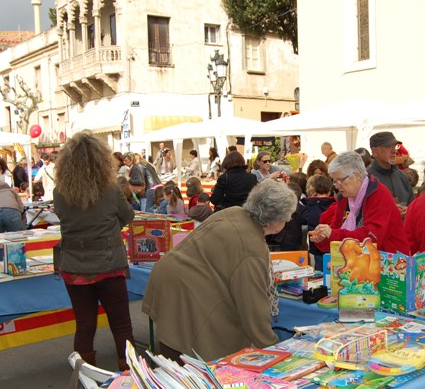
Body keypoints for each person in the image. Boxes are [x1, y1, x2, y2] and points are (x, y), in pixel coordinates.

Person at [142, 180, 297, 362]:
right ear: (277, 220)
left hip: (169, 279)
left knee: (172, 349)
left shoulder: (233, 212)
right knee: (186, 361)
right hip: (185, 292)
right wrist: (274, 350)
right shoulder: (252, 249)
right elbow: (253, 306)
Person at [53, 131, 136, 371]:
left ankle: (85, 376)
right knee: (121, 325)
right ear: (101, 160)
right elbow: (128, 215)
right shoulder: (110, 189)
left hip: (75, 267)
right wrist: (111, 227)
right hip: (109, 265)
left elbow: (64, 218)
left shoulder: (60, 192)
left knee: (85, 325)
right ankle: (131, 375)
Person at [311, 151, 410, 256]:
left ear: (357, 176)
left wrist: (332, 234)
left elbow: (372, 237)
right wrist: (323, 239)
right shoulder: (344, 197)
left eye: (340, 180)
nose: (336, 186)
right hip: (360, 262)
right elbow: (335, 232)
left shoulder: (378, 194)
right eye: (334, 181)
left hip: (390, 263)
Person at [367, 131, 415, 210]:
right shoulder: (367, 179)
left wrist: (408, 210)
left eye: (395, 146)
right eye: (388, 147)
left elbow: (412, 204)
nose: (394, 151)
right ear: (375, 151)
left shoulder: (401, 176)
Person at [299, 174, 336, 271]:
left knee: (320, 273)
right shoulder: (335, 205)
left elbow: (302, 219)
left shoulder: (309, 207)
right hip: (335, 245)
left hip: (317, 247)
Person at [0, 181, 25, 260]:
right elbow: (21, 206)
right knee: (15, 240)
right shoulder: (12, 191)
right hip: (12, 212)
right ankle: (16, 264)